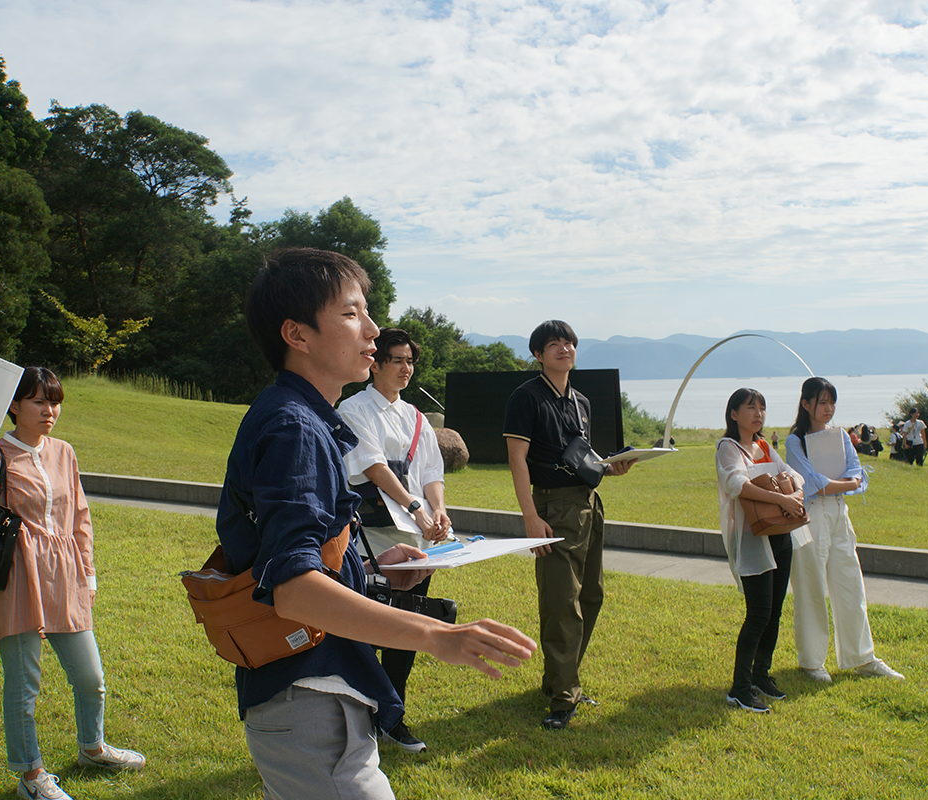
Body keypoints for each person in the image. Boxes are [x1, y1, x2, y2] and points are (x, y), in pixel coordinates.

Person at [217, 248, 535, 800]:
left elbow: (298, 554)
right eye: (350, 313)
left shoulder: (303, 419)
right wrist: (440, 635)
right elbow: (292, 589)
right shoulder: (294, 428)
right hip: (309, 694)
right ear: (297, 334)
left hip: (310, 691)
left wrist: (369, 567)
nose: (372, 329)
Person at [0, 367, 144, 800]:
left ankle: (93, 747)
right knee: (24, 683)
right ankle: (30, 776)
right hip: (17, 576)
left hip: (65, 573)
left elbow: (80, 516)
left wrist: (89, 573)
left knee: (90, 677)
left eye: (55, 401)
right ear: (15, 406)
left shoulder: (64, 451)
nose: (50, 411)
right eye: (39, 402)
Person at [503, 320, 635, 730]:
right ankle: (563, 698)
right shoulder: (526, 397)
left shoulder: (580, 400)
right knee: (562, 603)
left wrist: (612, 469)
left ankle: (564, 680)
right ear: (538, 355)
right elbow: (517, 459)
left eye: (570, 343)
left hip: (588, 503)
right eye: (554, 344)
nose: (564, 349)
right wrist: (530, 516)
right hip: (552, 507)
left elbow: (581, 457)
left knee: (591, 595)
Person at [338, 327, 451, 753]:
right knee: (366, 623)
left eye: (410, 361)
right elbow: (370, 465)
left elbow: (430, 472)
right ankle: (360, 715)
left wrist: (436, 510)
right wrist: (416, 506)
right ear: (377, 363)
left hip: (416, 534)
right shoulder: (354, 409)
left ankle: (394, 713)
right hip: (373, 534)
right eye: (398, 360)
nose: (406, 369)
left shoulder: (416, 416)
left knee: (407, 621)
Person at [785, 377, 904, 683]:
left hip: (839, 513)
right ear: (806, 404)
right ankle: (812, 661)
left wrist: (838, 484)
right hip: (809, 517)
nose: (828, 408)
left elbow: (858, 476)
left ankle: (862, 657)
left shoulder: (840, 436)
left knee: (851, 583)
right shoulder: (795, 441)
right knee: (810, 587)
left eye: (831, 402)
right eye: (822, 402)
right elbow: (810, 483)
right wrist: (842, 484)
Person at [715, 388, 809, 714]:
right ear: (733, 414)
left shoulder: (765, 445)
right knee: (757, 614)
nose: (758, 414)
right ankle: (739, 688)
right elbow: (736, 484)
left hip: (780, 533)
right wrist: (783, 500)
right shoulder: (728, 447)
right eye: (750, 408)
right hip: (752, 537)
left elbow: (792, 472)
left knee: (774, 612)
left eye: (762, 408)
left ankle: (760, 674)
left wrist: (795, 490)